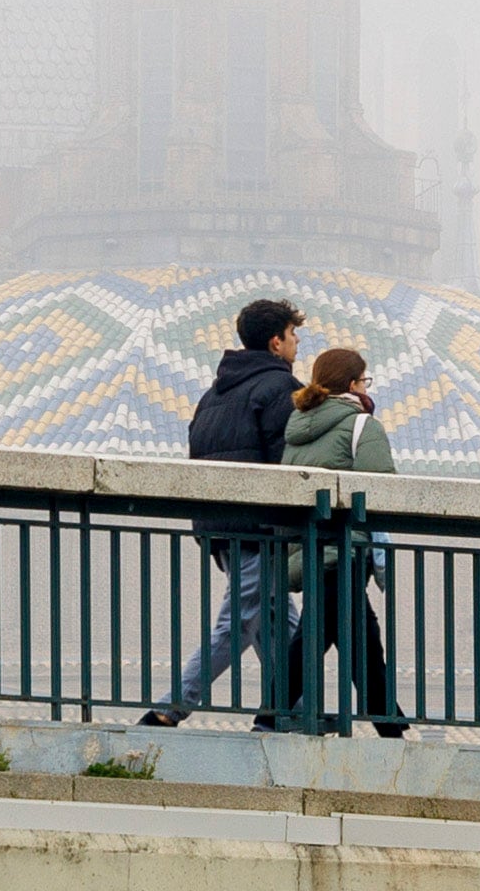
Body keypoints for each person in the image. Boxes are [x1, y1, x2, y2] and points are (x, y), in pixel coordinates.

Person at [138, 296, 301, 729]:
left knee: (277, 625)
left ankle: (289, 712)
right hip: (261, 530)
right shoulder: (281, 389)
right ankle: (169, 707)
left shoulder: (213, 394)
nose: (296, 342)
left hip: (219, 527)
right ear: (274, 342)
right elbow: (288, 465)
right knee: (237, 625)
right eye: (291, 335)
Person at [279, 346, 407, 738]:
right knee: (338, 637)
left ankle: (386, 720)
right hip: (346, 549)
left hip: (309, 549)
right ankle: (386, 724)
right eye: (364, 380)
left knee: (343, 634)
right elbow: (380, 490)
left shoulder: (297, 427)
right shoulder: (362, 427)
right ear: (353, 384)